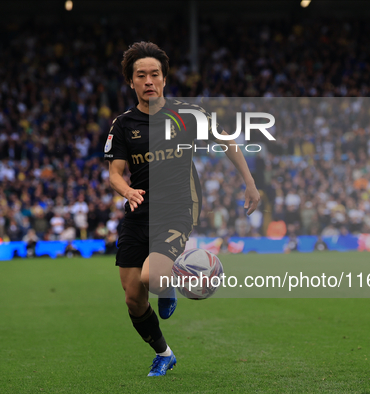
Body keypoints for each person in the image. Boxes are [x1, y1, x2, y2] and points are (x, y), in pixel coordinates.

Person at [104, 42, 260, 377]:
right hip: (138, 212)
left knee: (151, 276)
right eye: (141, 75)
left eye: (155, 74)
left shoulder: (188, 114)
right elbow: (114, 173)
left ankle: (169, 280)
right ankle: (164, 353)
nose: (149, 81)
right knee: (133, 298)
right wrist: (127, 189)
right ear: (131, 82)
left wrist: (249, 183)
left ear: (164, 78)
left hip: (177, 208)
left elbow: (227, 142)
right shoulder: (122, 125)